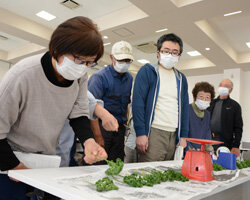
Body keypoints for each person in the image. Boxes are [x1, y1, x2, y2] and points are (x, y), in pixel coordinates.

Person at [0, 16, 107, 200]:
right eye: (80, 60)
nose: (83, 68)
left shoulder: (80, 77)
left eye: (90, 63)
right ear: (57, 49)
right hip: (9, 158)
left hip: (45, 160)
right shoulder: (22, 76)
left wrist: (89, 141)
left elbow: (78, 113)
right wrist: (17, 168)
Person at [132, 33, 189, 162]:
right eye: (166, 51)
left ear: (179, 56)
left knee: (168, 174)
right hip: (154, 132)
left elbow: (184, 108)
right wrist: (141, 133)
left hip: (174, 134)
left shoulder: (181, 78)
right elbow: (138, 103)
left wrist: (183, 136)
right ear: (158, 53)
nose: (170, 55)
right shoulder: (148, 71)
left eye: (175, 52)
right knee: (149, 174)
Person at [88, 41, 134, 162]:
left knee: (117, 163)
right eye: (121, 60)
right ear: (112, 57)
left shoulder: (129, 78)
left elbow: (126, 104)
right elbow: (91, 109)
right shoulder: (99, 77)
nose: (124, 63)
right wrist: (97, 136)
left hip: (119, 130)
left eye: (127, 60)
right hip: (102, 130)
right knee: (99, 162)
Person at [56, 91, 118, 167]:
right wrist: (100, 111)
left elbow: (79, 110)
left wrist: (89, 141)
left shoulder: (79, 90)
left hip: (63, 152)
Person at [208, 79, 243, 157]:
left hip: (225, 143)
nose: (222, 87)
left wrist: (236, 145)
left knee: (222, 166)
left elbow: (238, 128)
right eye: (221, 85)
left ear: (231, 90)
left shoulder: (235, 106)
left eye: (226, 86)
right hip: (209, 140)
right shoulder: (211, 103)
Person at [187, 82, 215, 151]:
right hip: (188, 151)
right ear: (195, 97)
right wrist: (191, 149)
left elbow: (207, 134)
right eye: (201, 97)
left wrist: (210, 151)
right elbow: (183, 134)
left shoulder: (207, 114)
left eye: (207, 97)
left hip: (201, 152)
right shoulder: (187, 110)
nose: (204, 100)